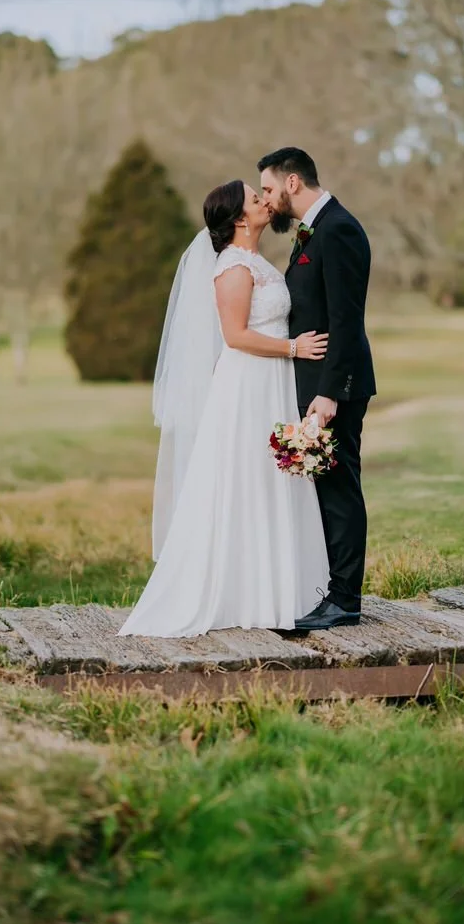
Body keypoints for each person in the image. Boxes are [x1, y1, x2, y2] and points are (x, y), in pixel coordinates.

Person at [117, 179, 330, 638]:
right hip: (249, 384)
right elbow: (235, 336)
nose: (265, 201)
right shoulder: (233, 266)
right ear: (238, 219)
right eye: (255, 199)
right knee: (247, 478)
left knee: (271, 479)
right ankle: (239, 594)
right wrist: (293, 348)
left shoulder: (256, 261)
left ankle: (278, 591)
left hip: (271, 382)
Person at [259, 147, 376, 631]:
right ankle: (331, 590)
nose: (266, 199)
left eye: (268, 188)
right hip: (317, 385)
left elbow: (346, 320)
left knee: (339, 488)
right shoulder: (314, 229)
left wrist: (329, 393)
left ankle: (345, 599)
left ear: (292, 182)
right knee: (326, 488)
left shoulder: (338, 229)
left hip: (336, 388)